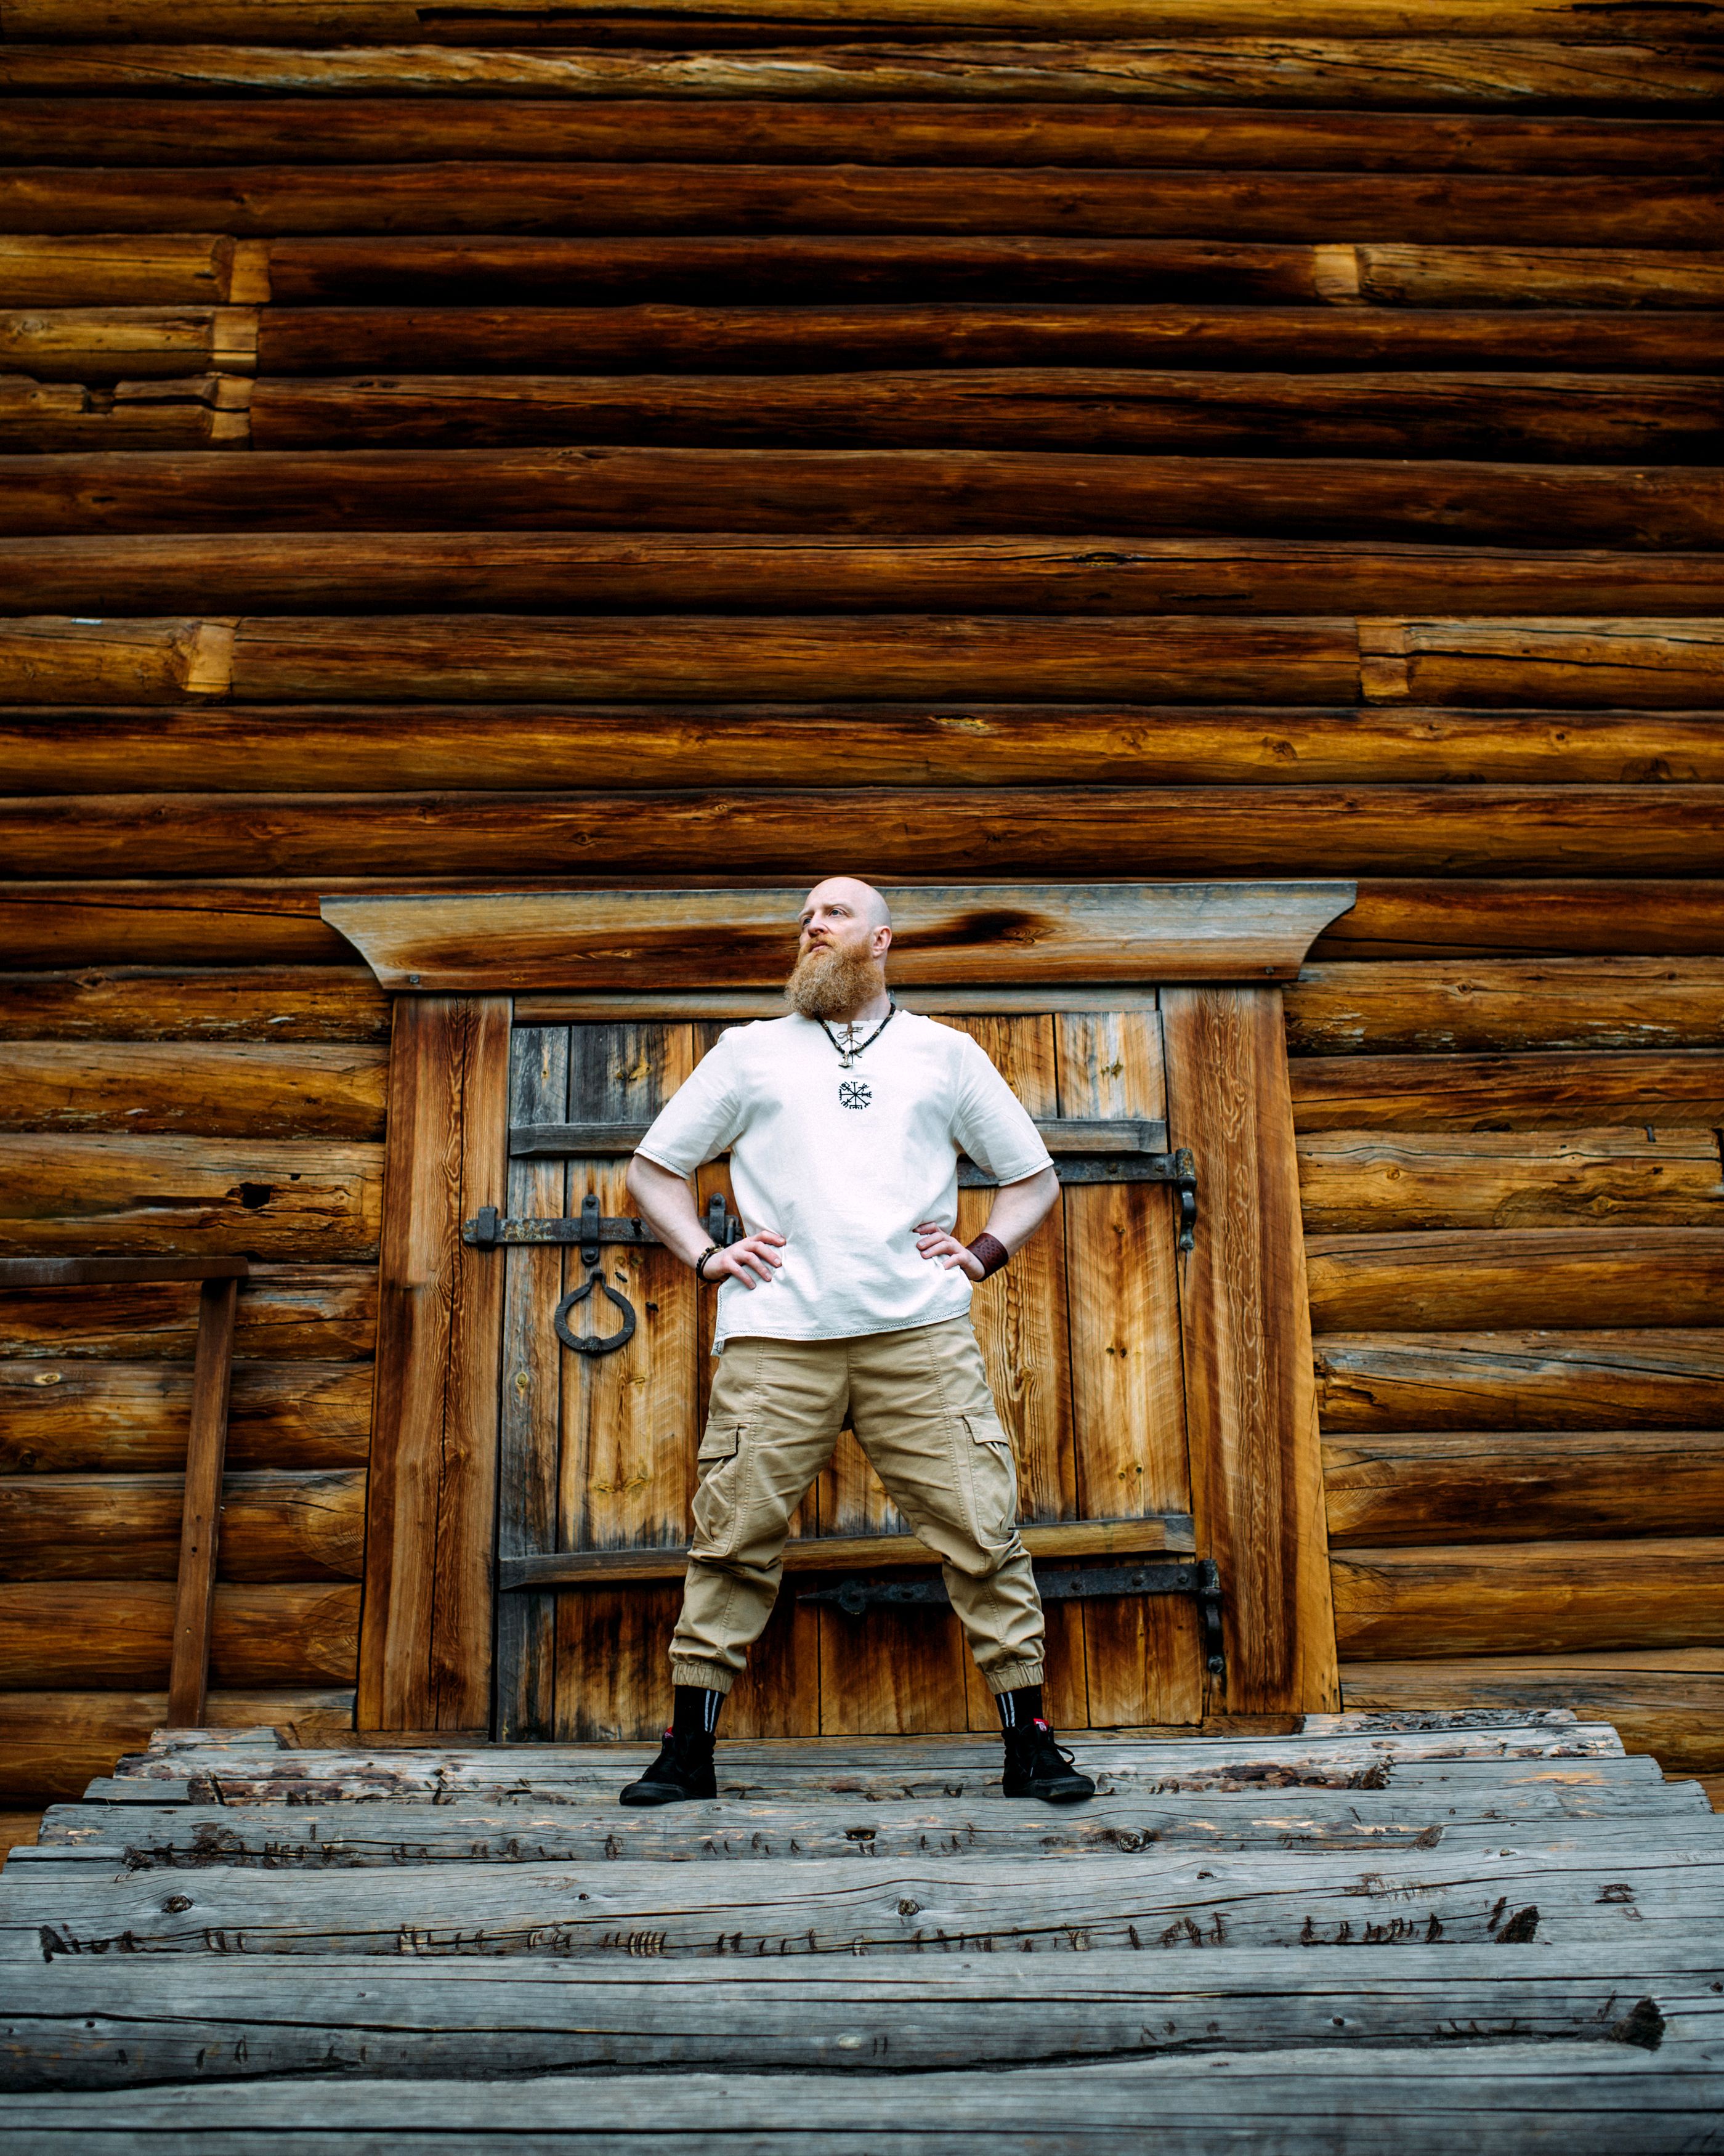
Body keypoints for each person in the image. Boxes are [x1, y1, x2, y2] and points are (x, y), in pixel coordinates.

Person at [618, 875, 1095, 1807]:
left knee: (983, 1533)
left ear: (880, 940)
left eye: (834, 915)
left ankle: (1031, 1747)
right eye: (805, 917)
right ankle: (687, 1754)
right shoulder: (749, 1053)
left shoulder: (943, 1054)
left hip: (918, 1338)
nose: (812, 926)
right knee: (732, 1540)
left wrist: (982, 1254)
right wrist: (708, 1256)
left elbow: (1032, 1178)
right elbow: (653, 1169)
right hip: (776, 1339)